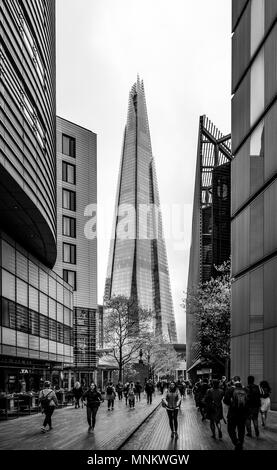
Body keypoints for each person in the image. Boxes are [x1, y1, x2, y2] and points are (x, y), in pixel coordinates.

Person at [224, 376, 248, 451]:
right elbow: (248, 402)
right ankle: (240, 444)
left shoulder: (230, 389)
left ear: (233, 381)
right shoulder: (245, 389)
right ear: (240, 380)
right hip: (243, 414)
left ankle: (236, 442)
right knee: (241, 429)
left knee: (230, 429)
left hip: (232, 413)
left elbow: (225, 401)